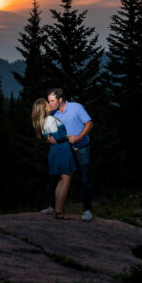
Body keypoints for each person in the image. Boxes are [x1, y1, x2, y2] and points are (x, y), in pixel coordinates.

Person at [41, 88, 94, 221]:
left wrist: (78, 137)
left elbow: (89, 124)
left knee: (85, 178)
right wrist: (48, 138)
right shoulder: (53, 114)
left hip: (82, 147)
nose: (50, 103)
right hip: (65, 149)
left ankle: (87, 210)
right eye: (49, 101)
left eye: (52, 101)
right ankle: (53, 207)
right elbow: (48, 131)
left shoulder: (77, 108)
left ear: (60, 100)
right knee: (58, 178)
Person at [32, 98, 76, 219]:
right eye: (47, 104)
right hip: (62, 150)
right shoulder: (50, 119)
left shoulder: (43, 121)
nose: (50, 105)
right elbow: (57, 138)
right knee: (66, 181)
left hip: (56, 151)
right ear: (44, 109)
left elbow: (52, 138)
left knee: (61, 181)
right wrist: (71, 138)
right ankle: (58, 211)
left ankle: (57, 209)